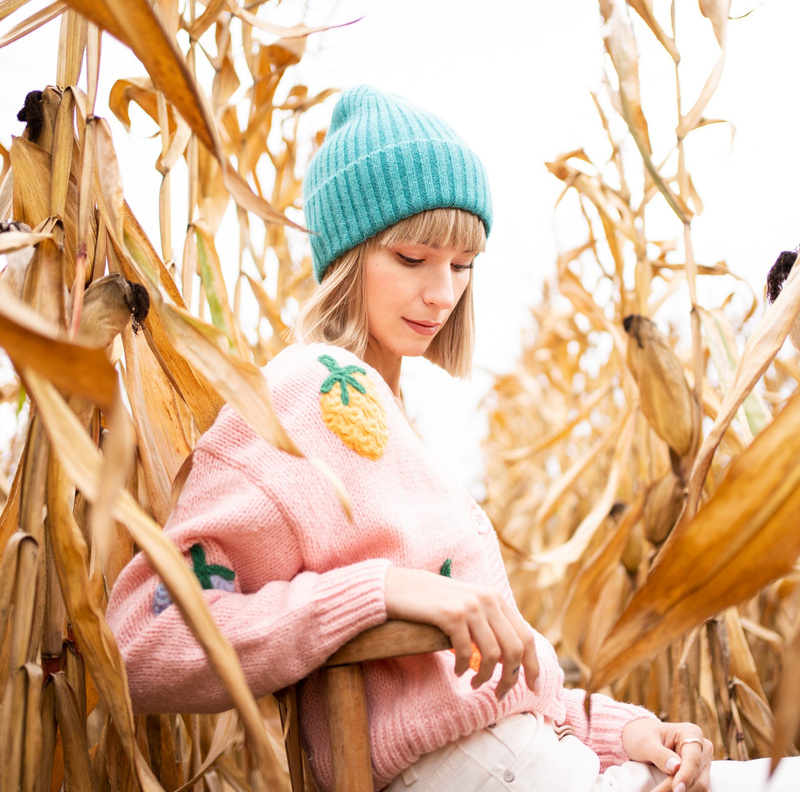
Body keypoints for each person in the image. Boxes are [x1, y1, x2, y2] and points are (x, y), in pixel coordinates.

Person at [106, 86, 798, 792]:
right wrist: (379, 591)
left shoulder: (386, 421)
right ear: (348, 256)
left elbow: (479, 686)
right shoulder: (303, 391)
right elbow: (141, 637)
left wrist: (621, 732)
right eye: (413, 258)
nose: (443, 292)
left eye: (462, 265)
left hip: (531, 761)